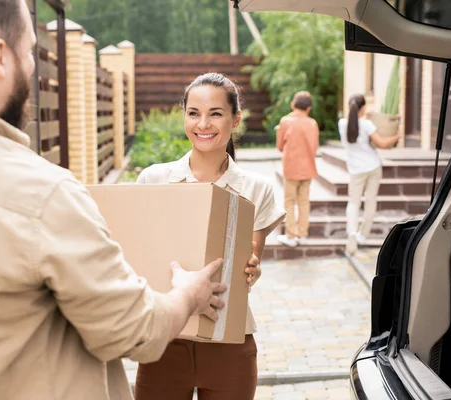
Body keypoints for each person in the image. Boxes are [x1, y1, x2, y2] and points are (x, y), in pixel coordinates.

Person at [0, 1, 227, 399]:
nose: (32, 68)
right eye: (29, 51)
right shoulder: (39, 194)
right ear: (0, 57)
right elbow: (134, 330)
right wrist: (189, 294)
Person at [134, 72, 286, 400]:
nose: (204, 124)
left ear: (236, 119)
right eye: (194, 113)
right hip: (165, 339)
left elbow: (252, 257)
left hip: (229, 343)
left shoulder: (256, 189)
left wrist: (253, 267)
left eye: (215, 113)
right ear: (184, 116)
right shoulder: (153, 179)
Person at [338, 94, 400, 255]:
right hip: (372, 167)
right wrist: (398, 136)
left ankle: (352, 234)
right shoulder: (366, 125)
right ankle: (363, 234)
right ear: (363, 107)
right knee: (370, 200)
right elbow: (383, 143)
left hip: (355, 170)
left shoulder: (342, 124)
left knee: (353, 202)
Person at [275, 91, 320, 248]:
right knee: (304, 201)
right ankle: (302, 234)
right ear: (309, 108)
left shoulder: (286, 121)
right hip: (308, 167)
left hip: (291, 167)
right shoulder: (313, 123)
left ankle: (291, 235)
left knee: (289, 201)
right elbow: (314, 148)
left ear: (293, 105)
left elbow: (280, 146)